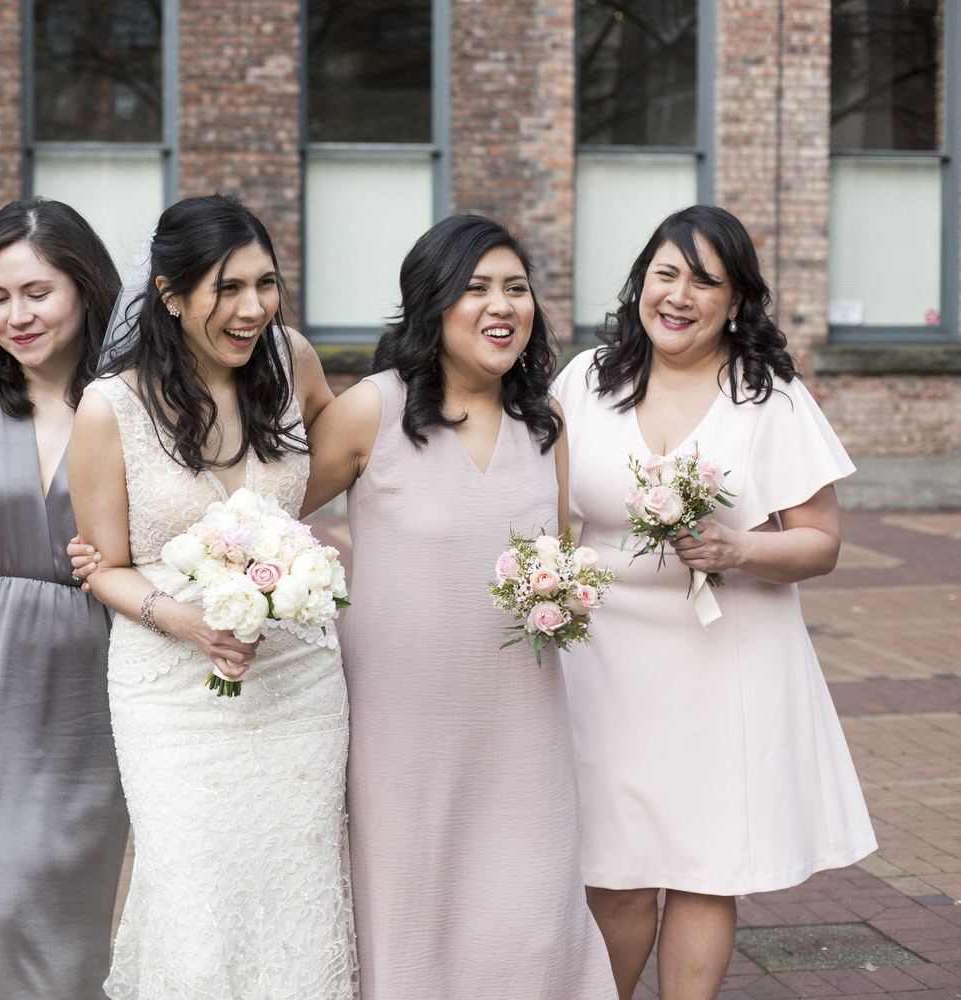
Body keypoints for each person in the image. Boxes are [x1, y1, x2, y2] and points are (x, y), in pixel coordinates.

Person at [552, 205, 876, 1000]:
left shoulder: (769, 396)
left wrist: (739, 551)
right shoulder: (586, 380)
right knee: (613, 870)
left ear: (735, 301)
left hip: (727, 655)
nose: (679, 295)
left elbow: (821, 543)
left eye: (704, 281)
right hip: (606, 663)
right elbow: (546, 512)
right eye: (665, 274)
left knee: (706, 867)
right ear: (640, 284)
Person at [302, 215, 617, 998]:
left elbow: (558, 550)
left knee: (532, 910)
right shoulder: (371, 409)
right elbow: (270, 518)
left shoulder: (546, 422)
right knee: (414, 909)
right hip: (401, 721)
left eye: (516, 288)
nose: (502, 305)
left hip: (523, 716)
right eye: (476, 288)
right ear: (433, 303)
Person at [68, 193, 357, 998]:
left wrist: (295, 557)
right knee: (192, 893)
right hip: (172, 694)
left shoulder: (292, 360)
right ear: (169, 294)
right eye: (227, 288)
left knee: (298, 889)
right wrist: (185, 620)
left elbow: (345, 450)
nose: (253, 308)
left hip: (298, 681)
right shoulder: (110, 407)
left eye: (265, 284)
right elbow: (103, 566)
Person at [0, 198, 129, 999]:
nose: (16, 316)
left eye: (37, 293)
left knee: (70, 903)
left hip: (93, 675)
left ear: (85, 288)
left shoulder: (134, 403)